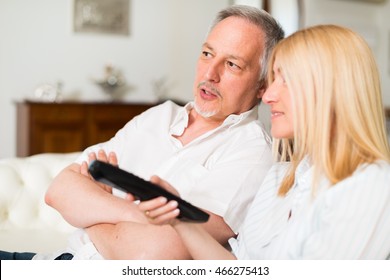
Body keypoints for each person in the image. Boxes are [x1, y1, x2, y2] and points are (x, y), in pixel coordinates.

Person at [0, 5, 284, 260]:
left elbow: (152, 253)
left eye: (232, 64)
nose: (210, 73)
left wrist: (92, 210)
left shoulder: (252, 153)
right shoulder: (159, 117)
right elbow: (59, 190)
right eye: (207, 53)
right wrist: (135, 214)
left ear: (262, 85)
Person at [138, 24, 390, 259]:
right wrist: (180, 217)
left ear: (333, 90)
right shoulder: (279, 179)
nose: (268, 96)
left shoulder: (372, 184)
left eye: (287, 80)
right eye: (273, 80)